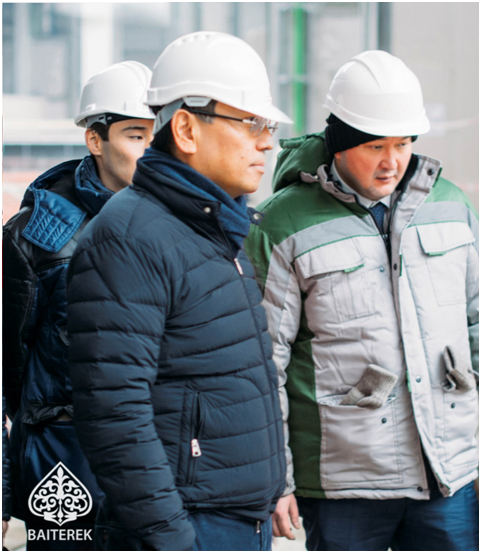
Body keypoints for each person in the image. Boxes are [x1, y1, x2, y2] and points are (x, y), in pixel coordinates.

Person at [244, 50, 479, 551]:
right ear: (340, 143)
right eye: (375, 146)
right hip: (342, 482)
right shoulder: (284, 224)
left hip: (444, 470)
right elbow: (262, 365)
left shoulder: (450, 206)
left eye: (404, 143)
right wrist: (277, 478)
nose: (392, 162)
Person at [66, 32, 292, 551]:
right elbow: (114, 413)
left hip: (238, 519)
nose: (267, 143)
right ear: (187, 129)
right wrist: (171, 539)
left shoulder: (214, 227)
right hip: (191, 525)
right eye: (252, 123)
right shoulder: (130, 237)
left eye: (270, 127)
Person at [2, 60, 154, 550]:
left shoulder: (188, 227)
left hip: (159, 462)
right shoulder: (35, 238)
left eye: (161, 136)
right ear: (95, 140)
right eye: (136, 135)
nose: (152, 152)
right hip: (63, 462)